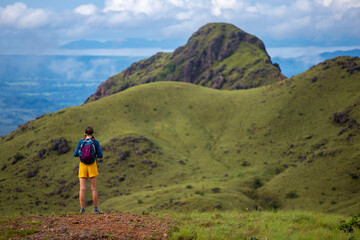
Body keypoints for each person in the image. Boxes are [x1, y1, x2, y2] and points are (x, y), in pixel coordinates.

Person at [74, 125, 103, 214]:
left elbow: (75, 154)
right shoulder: (95, 142)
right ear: (93, 133)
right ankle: (96, 209)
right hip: (92, 166)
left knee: (82, 189)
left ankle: (82, 209)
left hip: (82, 166)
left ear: (85, 133)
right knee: (93, 188)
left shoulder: (81, 142)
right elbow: (100, 155)